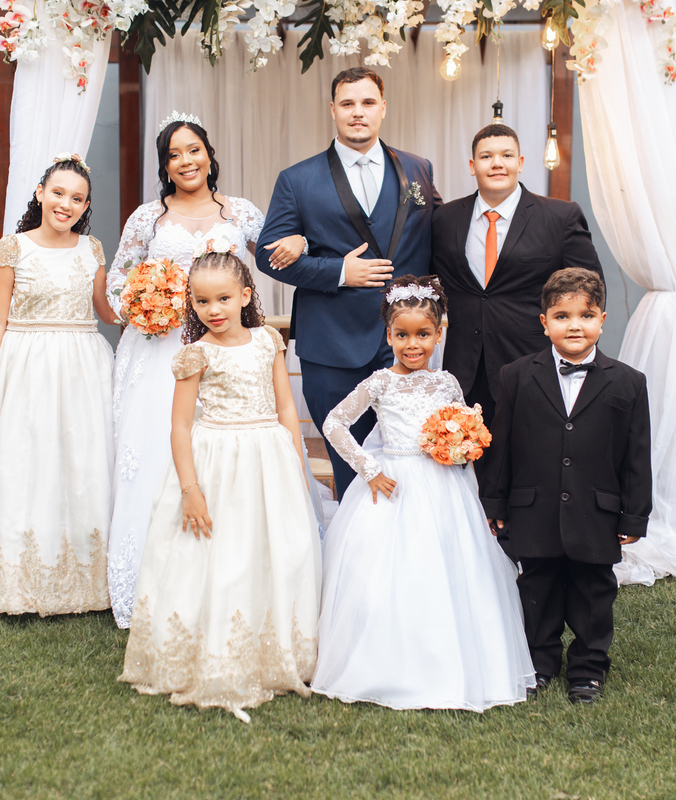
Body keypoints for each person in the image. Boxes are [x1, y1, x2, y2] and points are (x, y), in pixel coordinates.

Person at [105, 113, 305, 629]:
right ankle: (151, 580)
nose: (185, 161)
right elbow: (116, 281)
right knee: (157, 450)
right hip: (159, 351)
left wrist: (301, 242)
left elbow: (278, 258)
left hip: (227, 351)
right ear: (164, 166)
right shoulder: (147, 219)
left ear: (209, 155)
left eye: (193, 150)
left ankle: (229, 577)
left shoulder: (240, 212)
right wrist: (141, 306)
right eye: (174, 155)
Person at [311, 275, 535, 711]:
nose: (412, 345)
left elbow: (459, 427)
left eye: (423, 335)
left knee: (451, 566)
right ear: (388, 335)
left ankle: (453, 662)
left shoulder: (447, 382)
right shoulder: (379, 383)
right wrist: (369, 468)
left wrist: (464, 442)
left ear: (438, 334)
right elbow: (334, 423)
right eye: (402, 335)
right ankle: (384, 664)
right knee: (388, 571)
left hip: (444, 484)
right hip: (394, 482)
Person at [118, 248, 321, 723]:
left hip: (268, 456)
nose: (213, 309)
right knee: (218, 554)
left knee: (271, 549)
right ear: (191, 302)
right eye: (202, 301)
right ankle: (209, 652)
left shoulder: (268, 341)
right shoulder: (196, 354)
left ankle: (271, 652)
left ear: (246, 295)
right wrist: (190, 489)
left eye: (223, 298)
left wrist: (295, 463)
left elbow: (286, 406)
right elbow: (179, 426)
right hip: (216, 461)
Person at [0, 154, 117, 616]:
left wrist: (149, 307)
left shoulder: (93, 249)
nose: (66, 204)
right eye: (58, 193)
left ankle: (84, 570)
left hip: (83, 368)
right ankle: (14, 572)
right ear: (40, 193)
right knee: (24, 461)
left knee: (82, 461)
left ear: (85, 206)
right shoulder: (12, 248)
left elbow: (105, 309)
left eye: (77, 198)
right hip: (25, 367)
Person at [256, 67, 441, 497]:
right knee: (350, 469)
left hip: (405, 344)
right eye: (348, 104)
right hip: (332, 346)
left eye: (368, 102)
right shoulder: (297, 179)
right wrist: (339, 271)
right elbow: (268, 256)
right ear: (333, 110)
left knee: (411, 462)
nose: (358, 112)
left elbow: (441, 234)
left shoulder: (418, 169)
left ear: (383, 108)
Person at [479, 267, 652, 703]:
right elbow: (503, 445)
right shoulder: (516, 375)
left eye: (586, 315)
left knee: (594, 595)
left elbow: (636, 454)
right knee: (537, 590)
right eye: (562, 316)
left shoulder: (629, 382)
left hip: (596, 513)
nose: (575, 325)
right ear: (544, 323)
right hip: (533, 509)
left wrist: (634, 514)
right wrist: (495, 502)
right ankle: (539, 664)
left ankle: (588, 670)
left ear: (602, 320)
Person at [431, 123, 604, 428]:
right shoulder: (445, 218)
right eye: (486, 157)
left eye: (507, 155)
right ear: (472, 166)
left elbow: (590, 292)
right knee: (470, 457)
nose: (497, 163)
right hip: (464, 370)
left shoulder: (560, 216)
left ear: (520, 163)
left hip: (534, 365)